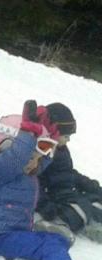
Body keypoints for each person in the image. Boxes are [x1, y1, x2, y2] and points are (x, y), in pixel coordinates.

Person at [0, 102, 73, 260]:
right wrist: (28, 132)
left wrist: (50, 138)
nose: (36, 161)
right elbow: (17, 156)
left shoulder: (27, 170)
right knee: (51, 246)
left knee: (59, 240)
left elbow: (43, 158)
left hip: (12, 233)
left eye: (39, 156)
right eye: (32, 155)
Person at [35, 103, 102, 242]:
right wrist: (45, 205)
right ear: (51, 132)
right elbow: (34, 182)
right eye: (65, 136)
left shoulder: (61, 149)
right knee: (76, 211)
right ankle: (58, 226)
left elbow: (68, 172)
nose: (68, 140)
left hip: (68, 191)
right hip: (55, 198)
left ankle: (92, 222)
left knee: (95, 199)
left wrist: (88, 184)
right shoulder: (40, 152)